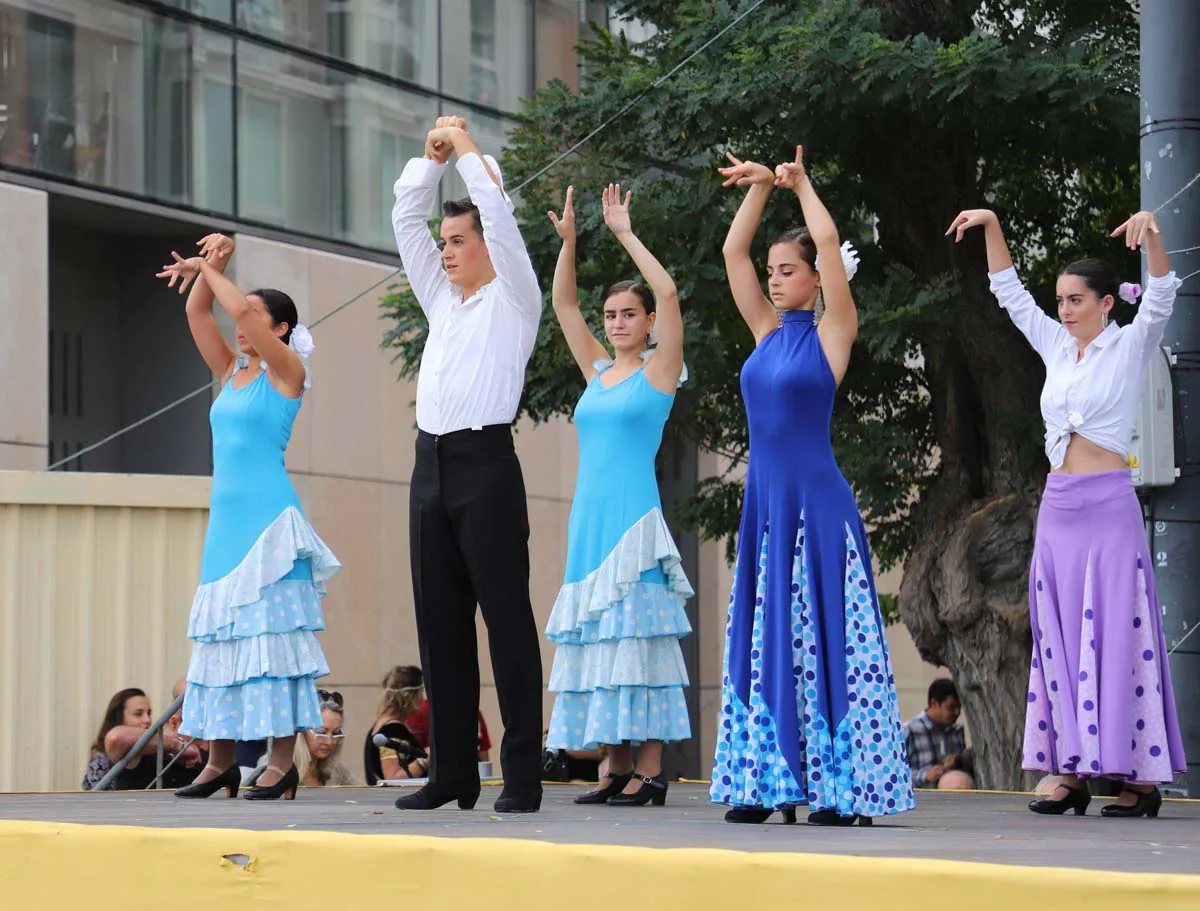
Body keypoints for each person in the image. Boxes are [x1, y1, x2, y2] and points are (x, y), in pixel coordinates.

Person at [947, 206, 1187, 818]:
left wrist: (1153, 235)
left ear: (1107, 303)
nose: (1064, 309)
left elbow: (1160, 294)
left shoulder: (1131, 344)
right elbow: (1009, 293)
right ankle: (1069, 772)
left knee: (1115, 636)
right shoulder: (1056, 345)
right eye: (1061, 299)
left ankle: (1139, 780)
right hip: (1059, 508)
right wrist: (996, 224)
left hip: (1109, 506)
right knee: (1059, 636)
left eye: (1076, 300)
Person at [709, 146, 915, 827]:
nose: (772, 279)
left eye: (787, 270)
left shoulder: (834, 331)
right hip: (767, 508)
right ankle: (767, 782)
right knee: (771, 639)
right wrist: (761, 189)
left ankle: (836, 787)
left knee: (823, 641)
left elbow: (826, 238)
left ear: (816, 279)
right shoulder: (765, 332)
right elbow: (733, 252)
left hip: (818, 510)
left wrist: (801, 186)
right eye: (773, 271)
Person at [390, 115, 543, 813]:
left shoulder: (515, 298)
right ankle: (452, 773)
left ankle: (520, 776)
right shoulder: (441, 301)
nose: (444, 251)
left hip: (486, 464)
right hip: (430, 466)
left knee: (506, 622)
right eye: (444, 241)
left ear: (485, 243)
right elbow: (403, 219)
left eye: (457, 240)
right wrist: (431, 160)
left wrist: (473, 152)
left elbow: (503, 222)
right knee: (441, 624)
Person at [155, 232, 341, 802]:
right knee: (223, 638)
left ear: (280, 329)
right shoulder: (231, 372)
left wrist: (220, 265)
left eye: (258, 317)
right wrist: (208, 266)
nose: (244, 324)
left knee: (273, 641)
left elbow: (233, 304)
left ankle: (280, 765)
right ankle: (219, 763)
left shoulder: (287, 372)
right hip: (226, 526)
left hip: (269, 524)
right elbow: (199, 310)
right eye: (246, 315)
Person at [542, 183, 694, 807]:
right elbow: (563, 306)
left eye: (628, 315)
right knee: (602, 641)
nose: (617, 322)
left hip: (634, 523)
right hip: (589, 523)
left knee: (640, 643)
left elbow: (667, 291)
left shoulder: (660, 370)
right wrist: (571, 243)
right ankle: (613, 766)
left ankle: (650, 771)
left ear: (649, 324)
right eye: (612, 316)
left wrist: (626, 233)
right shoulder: (598, 372)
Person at [81, 688, 203, 791]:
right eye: (138, 714)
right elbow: (116, 738)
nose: (147, 720)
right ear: (118, 718)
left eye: (149, 713)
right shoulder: (108, 755)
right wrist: (177, 745)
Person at [903, 679, 975, 789]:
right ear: (934, 704)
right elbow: (892, 773)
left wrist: (957, 761)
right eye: (951, 707)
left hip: (954, 797)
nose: (957, 713)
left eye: (959, 707)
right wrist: (924, 775)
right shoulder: (910, 730)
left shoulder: (957, 730)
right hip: (923, 800)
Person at [364, 665, 430, 785]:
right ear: (412, 696)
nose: (422, 698)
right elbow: (392, 778)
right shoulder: (392, 730)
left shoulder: (380, 726)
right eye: (421, 692)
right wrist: (427, 759)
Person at [295, 690, 357, 787]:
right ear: (301, 731)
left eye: (336, 733)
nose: (329, 742)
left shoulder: (339, 773)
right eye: (322, 732)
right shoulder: (276, 772)